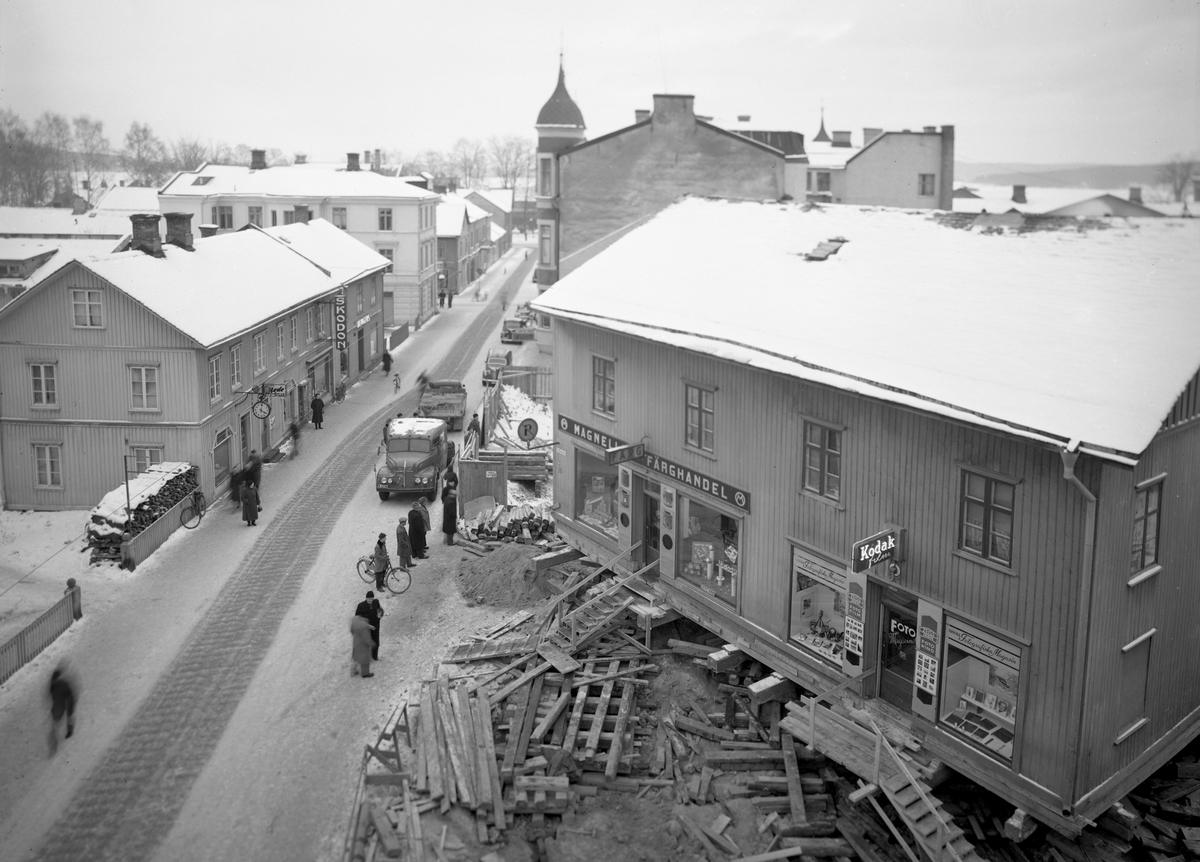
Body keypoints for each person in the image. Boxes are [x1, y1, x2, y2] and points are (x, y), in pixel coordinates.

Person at [48, 665, 77, 755]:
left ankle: (70, 730)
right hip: (59, 704)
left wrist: (68, 703)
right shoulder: (54, 687)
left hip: (68, 701)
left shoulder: (61, 685)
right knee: (55, 724)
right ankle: (53, 747)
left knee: (69, 717)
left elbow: (69, 695)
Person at [355, 591, 384, 661]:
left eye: (371, 598)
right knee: (366, 643)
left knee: (376, 642)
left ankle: (374, 656)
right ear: (366, 598)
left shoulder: (376, 602)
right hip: (366, 627)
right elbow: (357, 617)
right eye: (369, 599)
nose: (370, 600)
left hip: (375, 626)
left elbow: (380, 610)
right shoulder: (361, 606)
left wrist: (380, 614)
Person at [350, 613, 374, 678]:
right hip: (362, 645)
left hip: (356, 641)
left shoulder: (355, 619)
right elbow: (366, 638)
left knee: (355, 657)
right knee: (365, 660)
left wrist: (368, 626)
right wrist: (372, 644)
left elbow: (352, 630)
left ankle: (353, 671)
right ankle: (365, 673)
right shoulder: (363, 625)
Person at [441, 474, 459, 546]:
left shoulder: (448, 499)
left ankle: (448, 540)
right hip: (450, 517)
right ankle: (449, 541)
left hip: (447, 514)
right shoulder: (446, 490)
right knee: (450, 529)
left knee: (448, 528)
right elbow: (451, 511)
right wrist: (455, 515)